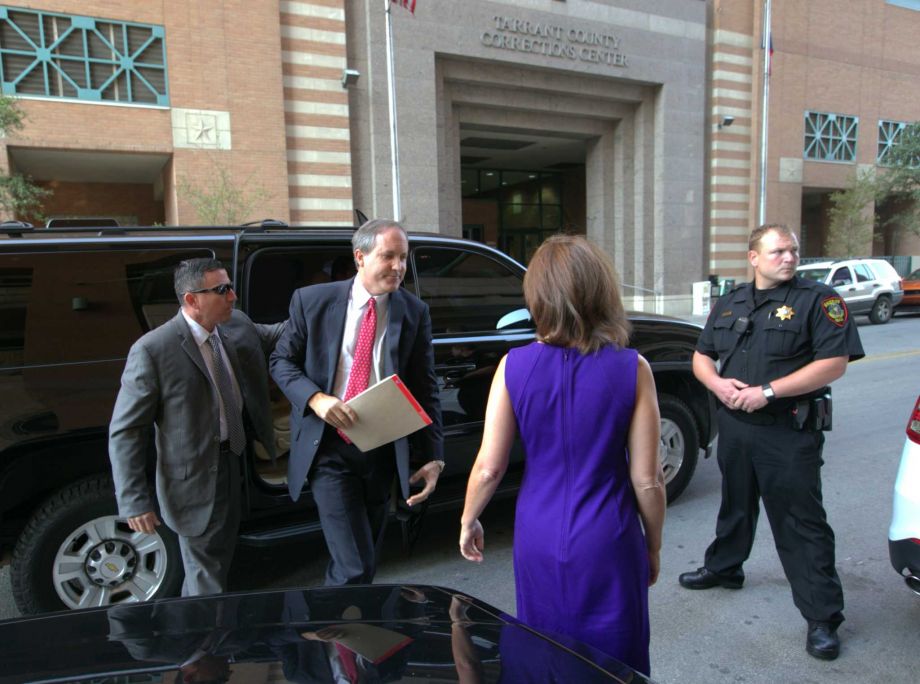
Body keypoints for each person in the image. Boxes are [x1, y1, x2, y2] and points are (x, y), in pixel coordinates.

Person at [458, 234, 666, 676]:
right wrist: (653, 544)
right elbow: (648, 480)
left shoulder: (512, 366)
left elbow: (489, 466)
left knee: (544, 649)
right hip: (608, 535)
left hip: (538, 531)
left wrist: (468, 518)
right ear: (600, 292)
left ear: (538, 296)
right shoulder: (633, 368)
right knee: (614, 660)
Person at [679, 223, 864, 661]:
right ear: (753, 257)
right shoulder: (730, 302)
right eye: (778, 251)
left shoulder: (819, 301)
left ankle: (822, 617)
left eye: (793, 251)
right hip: (737, 427)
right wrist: (718, 385)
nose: (788, 258)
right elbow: (702, 354)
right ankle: (725, 568)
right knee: (735, 504)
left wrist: (768, 391)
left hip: (789, 431)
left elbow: (834, 363)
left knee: (801, 524)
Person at [270, 218, 444, 586]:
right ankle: (343, 638)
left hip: (381, 449)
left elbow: (425, 388)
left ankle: (344, 638)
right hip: (329, 449)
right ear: (360, 257)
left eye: (403, 257)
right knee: (354, 567)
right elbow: (281, 362)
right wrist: (315, 399)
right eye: (388, 257)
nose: (398, 267)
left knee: (364, 562)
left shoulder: (414, 312)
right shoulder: (313, 301)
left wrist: (433, 457)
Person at [109, 258, 284, 596]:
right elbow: (126, 430)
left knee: (215, 566)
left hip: (234, 464)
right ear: (191, 299)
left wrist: (332, 304)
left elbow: (277, 334)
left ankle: (208, 638)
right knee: (206, 577)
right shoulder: (154, 350)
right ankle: (206, 647)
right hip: (193, 482)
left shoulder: (234, 327)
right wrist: (133, 501)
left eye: (230, 286)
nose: (233, 296)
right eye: (222, 290)